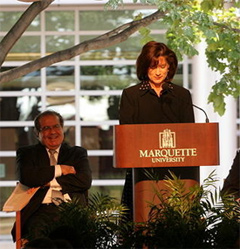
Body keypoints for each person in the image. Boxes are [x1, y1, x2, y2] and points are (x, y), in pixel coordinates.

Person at [119, 41, 199, 220]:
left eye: (162, 66)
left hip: (178, 176)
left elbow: (190, 136)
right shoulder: (131, 96)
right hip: (143, 174)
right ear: (145, 67)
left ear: (170, 68)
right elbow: (126, 136)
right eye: (153, 66)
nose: (158, 71)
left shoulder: (181, 95)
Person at [11, 110, 92, 242]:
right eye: (46, 128)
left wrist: (48, 182)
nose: (52, 132)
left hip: (71, 209)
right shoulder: (27, 153)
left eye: (56, 126)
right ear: (37, 133)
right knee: (39, 237)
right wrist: (61, 169)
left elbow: (84, 180)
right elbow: (27, 177)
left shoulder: (77, 153)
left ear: (62, 129)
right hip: (40, 210)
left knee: (74, 236)